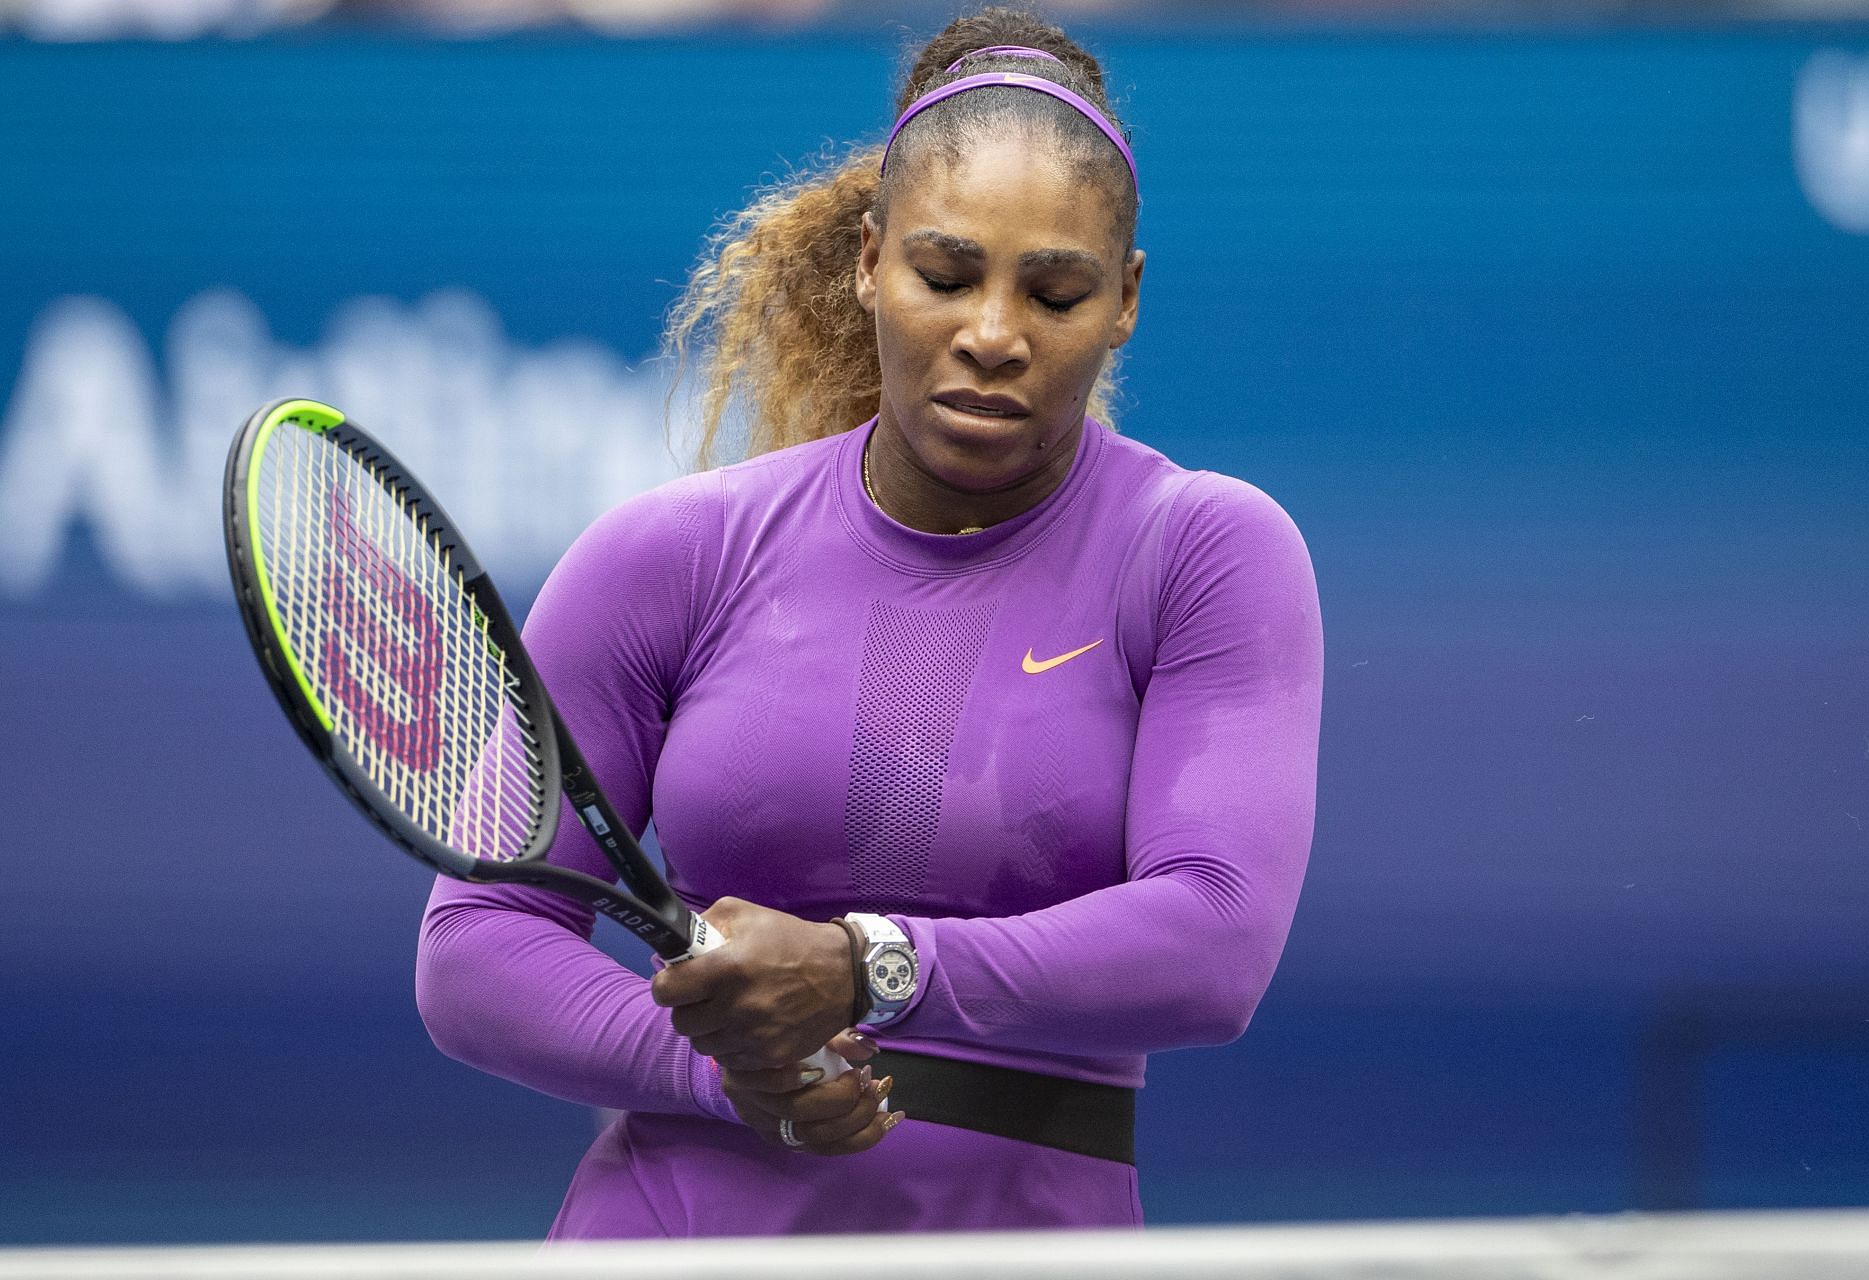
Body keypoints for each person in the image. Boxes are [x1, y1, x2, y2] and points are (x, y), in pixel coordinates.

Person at [416, 6, 1322, 1238]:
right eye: (944, 277)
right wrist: (719, 1071)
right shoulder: (670, 555)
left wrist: (864, 965)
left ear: (1126, 302)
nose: (991, 334)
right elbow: (478, 940)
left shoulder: (1205, 549)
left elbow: (1216, 934)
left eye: (1054, 293)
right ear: (867, 259)